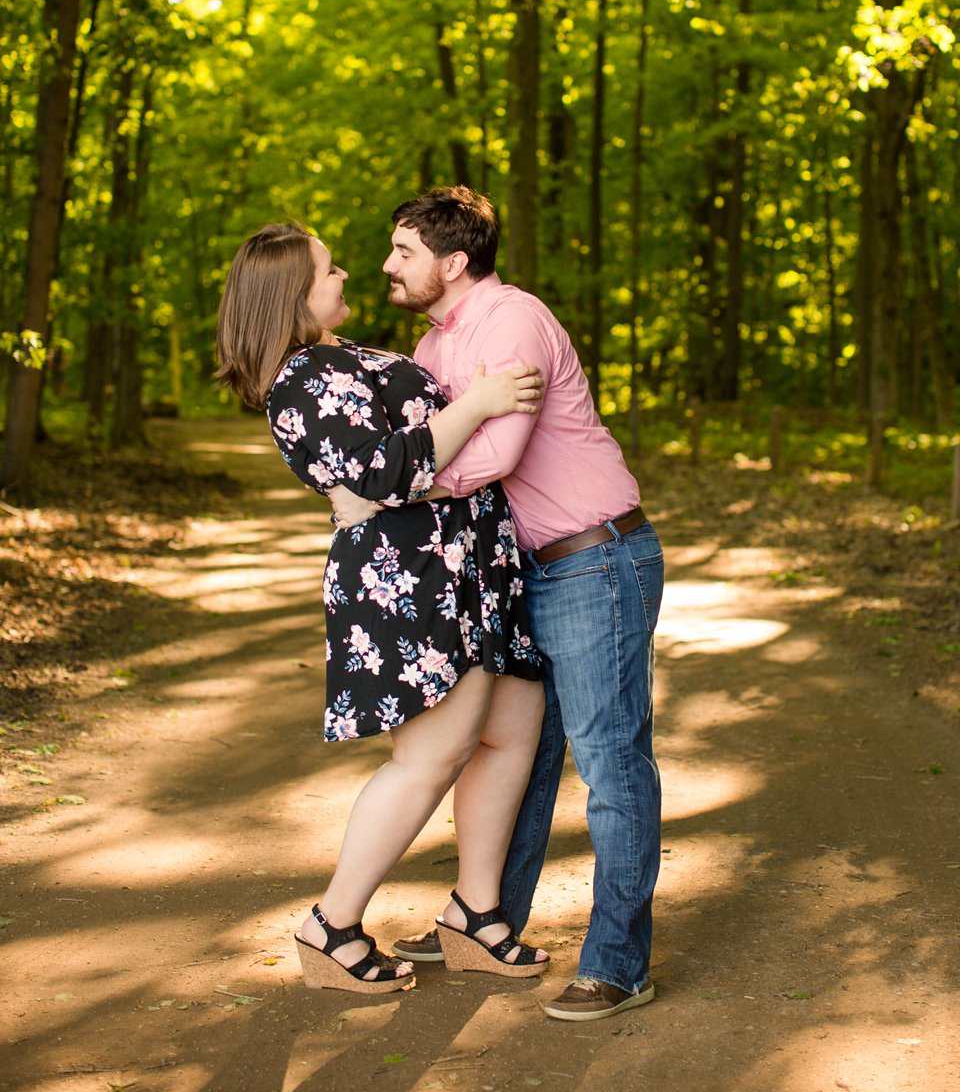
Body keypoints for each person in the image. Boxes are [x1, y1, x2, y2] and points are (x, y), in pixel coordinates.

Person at [332, 186, 663, 1022]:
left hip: (592, 558)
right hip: (516, 572)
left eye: (402, 251)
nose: (385, 265)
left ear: (451, 261)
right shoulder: (433, 341)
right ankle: (484, 925)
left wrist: (382, 496)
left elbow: (496, 450)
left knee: (611, 761)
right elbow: (426, 443)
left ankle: (617, 964)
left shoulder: (512, 320)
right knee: (514, 753)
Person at [215, 221, 549, 995]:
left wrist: (403, 482)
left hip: (472, 566)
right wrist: (486, 401)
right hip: (412, 580)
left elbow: (383, 479)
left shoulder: (341, 358)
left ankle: (476, 913)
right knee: (430, 754)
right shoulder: (302, 376)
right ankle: (331, 924)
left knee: (510, 736)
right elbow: (387, 471)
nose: (347, 277)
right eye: (328, 270)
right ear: (291, 295)